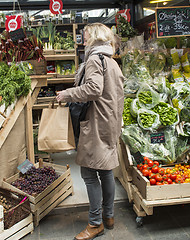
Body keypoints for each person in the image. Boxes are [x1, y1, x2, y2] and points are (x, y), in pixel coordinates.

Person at [56, 23, 124, 240]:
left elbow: (93, 89)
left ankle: (95, 224)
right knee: (105, 171)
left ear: (94, 37)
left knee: (88, 172)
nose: (83, 40)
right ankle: (109, 216)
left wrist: (67, 94)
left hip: (95, 123)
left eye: (85, 36)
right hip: (109, 121)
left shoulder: (95, 59)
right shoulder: (112, 61)